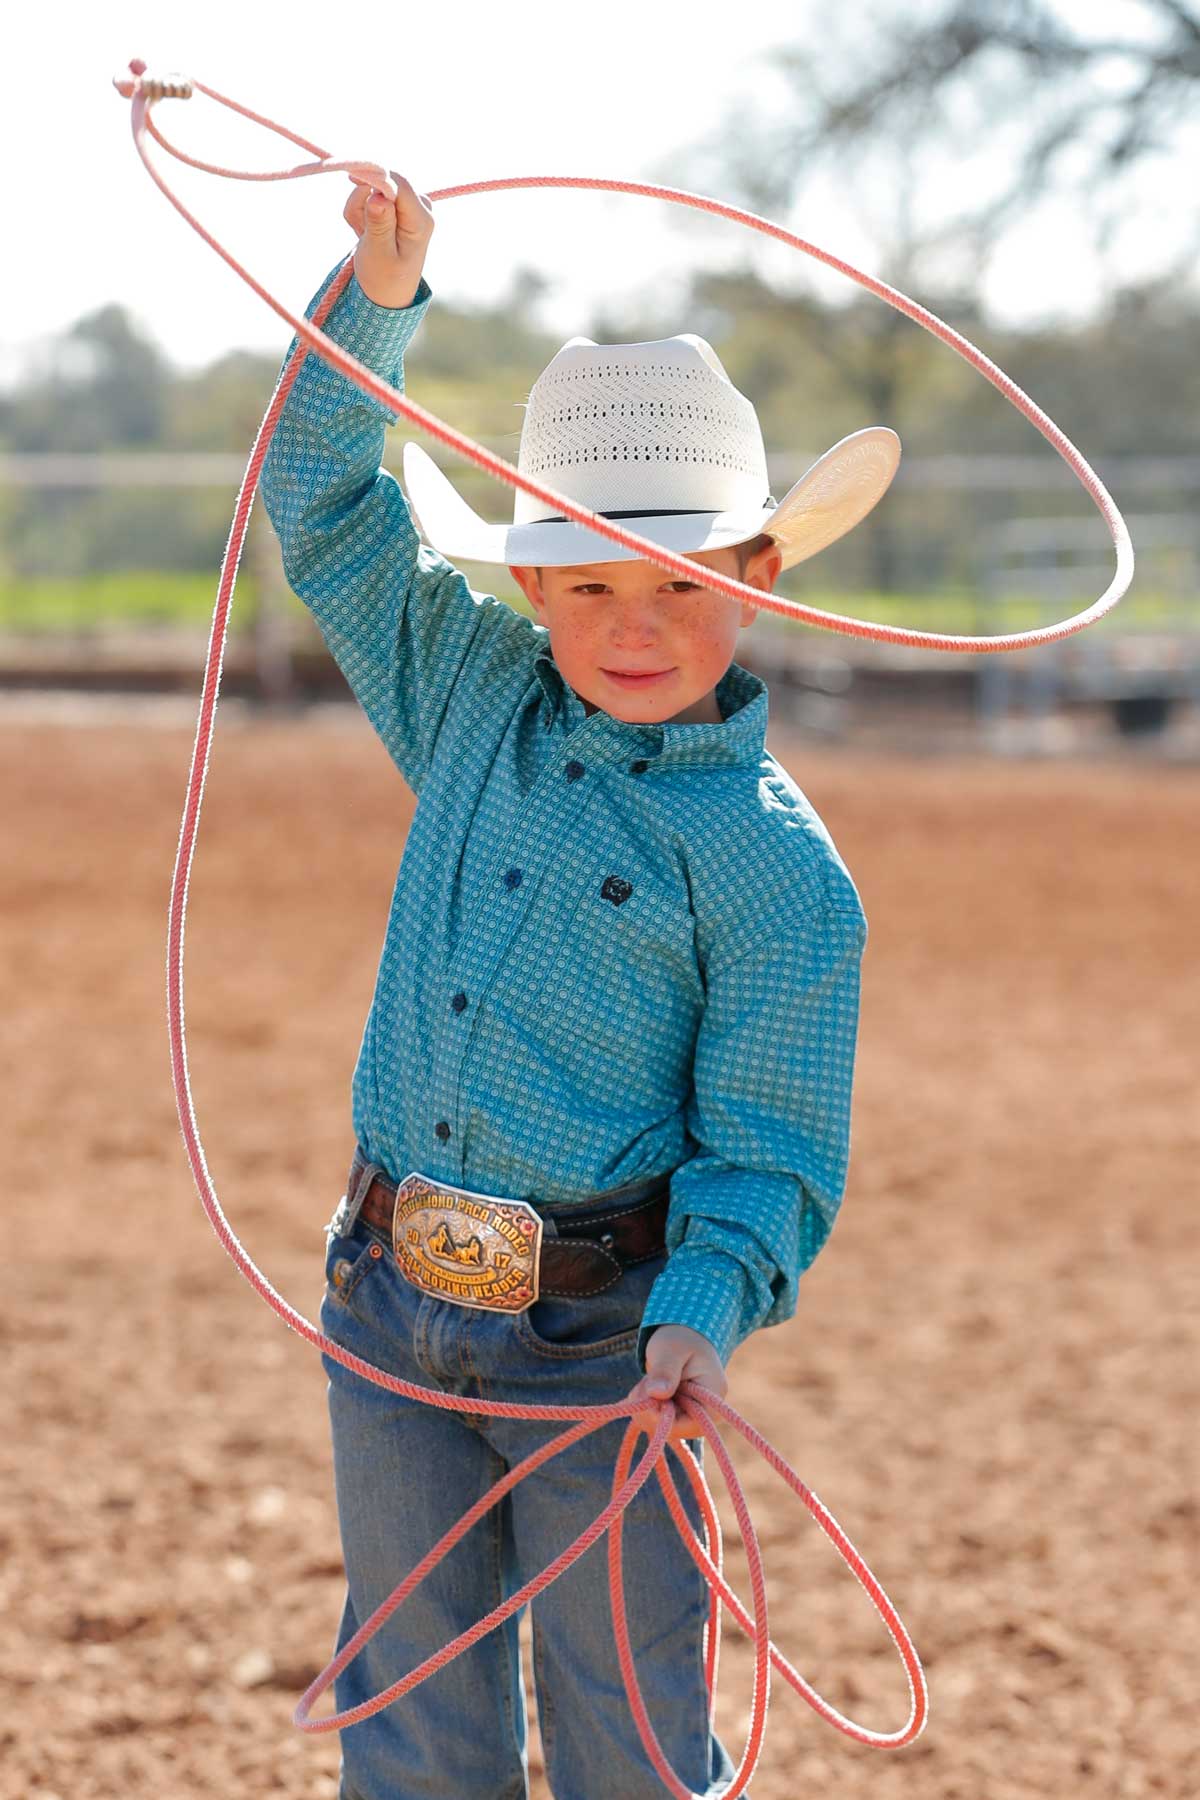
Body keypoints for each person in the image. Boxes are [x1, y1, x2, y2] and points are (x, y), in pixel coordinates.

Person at [260, 174, 897, 1800]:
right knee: (411, 1728)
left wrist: (698, 1315)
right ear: (531, 585)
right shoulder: (468, 690)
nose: (637, 624)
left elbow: (768, 1150)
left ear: (757, 573)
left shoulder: (776, 874)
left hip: (604, 1347)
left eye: (683, 581)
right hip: (390, 1299)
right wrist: (381, 298)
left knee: (627, 1736)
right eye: (594, 581)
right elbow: (331, 511)